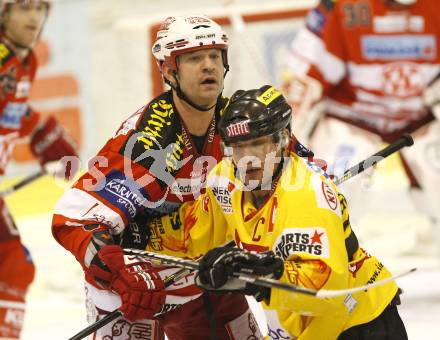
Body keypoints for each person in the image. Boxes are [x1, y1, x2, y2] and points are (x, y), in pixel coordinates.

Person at [52, 14, 262, 340]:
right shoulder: (150, 142)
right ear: (169, 70)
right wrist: (119, 270)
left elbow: (297, 177)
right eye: (194, 58)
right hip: (138, 287)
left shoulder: (242, 125)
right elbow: (75, 221)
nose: (209, 65)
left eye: (215, 56)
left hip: (208, 277)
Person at [145, 85, 408, 339]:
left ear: (282, 141)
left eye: (257, 144)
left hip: (359, 321)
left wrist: (262, 276)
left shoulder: (305, 195)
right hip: (297, 320)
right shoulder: (225, 180)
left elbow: (327, 290)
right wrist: (137, 236)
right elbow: (195, 231)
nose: (247, 158)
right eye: (237, 147)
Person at [282, 0, 440, 244]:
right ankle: (331, 243)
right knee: (339, 183)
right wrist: (285, 139)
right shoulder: (340, 6)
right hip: (353, 118)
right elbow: (303, 82)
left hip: (420, 118)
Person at [0, 0, 78, 338]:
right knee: (13, 264)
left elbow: (11, 107)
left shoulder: (22, 61)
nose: (34, 17)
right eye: (23, 8)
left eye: (39, 8)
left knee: (14, 265)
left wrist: (38, 130)